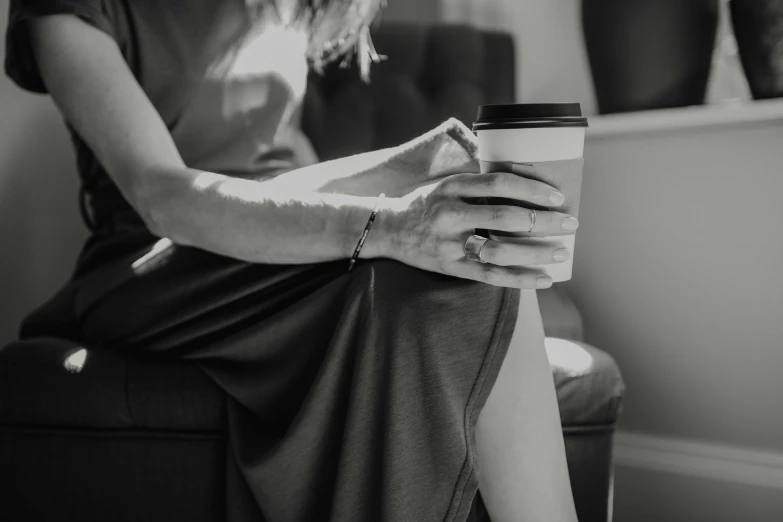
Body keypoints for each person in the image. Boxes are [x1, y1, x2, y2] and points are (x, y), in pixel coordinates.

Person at [3, 1, 580, 521]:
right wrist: (388, 224)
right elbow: (161, 193)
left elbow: (278, 174)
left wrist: (415, 173)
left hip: (283, 240)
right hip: (156, 263)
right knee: (454, 264)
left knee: (471, 267)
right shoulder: (68, 7)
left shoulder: (283, 5)